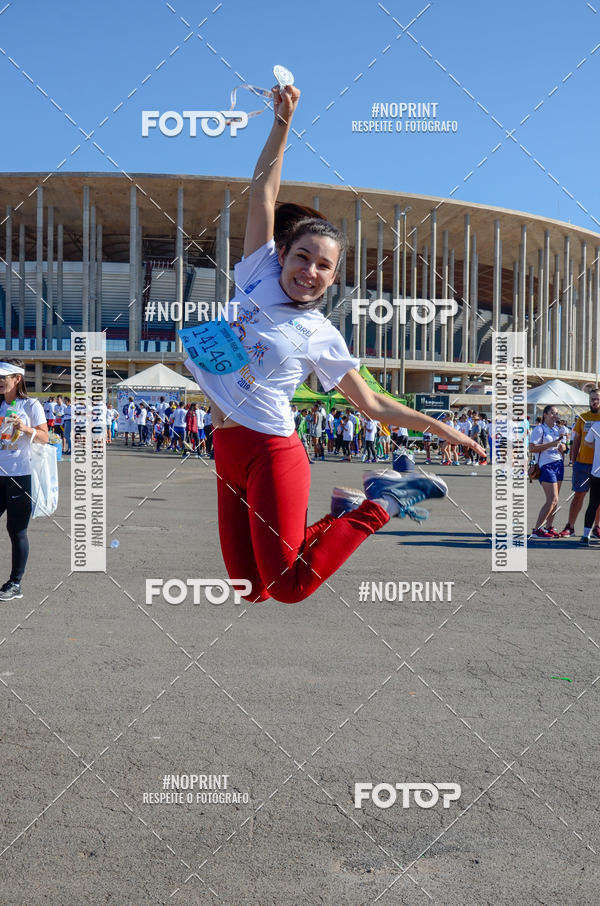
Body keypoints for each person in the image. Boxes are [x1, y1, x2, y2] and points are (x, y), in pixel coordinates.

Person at [182, 82, 485, 604]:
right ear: (284, 252)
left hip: (272, 450)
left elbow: (370, 404)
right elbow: (262, 191)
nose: (311, 271)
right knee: (248, 588)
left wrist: (440, 428)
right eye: (303, 257)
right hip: (226, 448)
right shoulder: (255, 273)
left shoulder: (321, 334)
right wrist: (282, 122)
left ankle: (384, 501)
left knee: (289, 588)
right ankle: (344, 514)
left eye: (325, 266)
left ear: (334, 276)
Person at [0, 359, 49, 600]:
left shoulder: (31, 405)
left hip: (20, 474)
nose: (0, 381)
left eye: (3, 377)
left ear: (17, 379)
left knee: (16, 530)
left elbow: (44, 437)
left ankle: (15, 583)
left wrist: (26, 428)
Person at [559, 388, 600, 537]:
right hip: (583, 464)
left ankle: (596, 527)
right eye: (592, 399)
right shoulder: (583, 418)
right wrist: (573, 460)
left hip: (598, 466)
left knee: (597, 500)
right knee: (579, 496)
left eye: (597, 399)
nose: (594, 402)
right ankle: (570, 526)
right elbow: (577, 440)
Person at [529, 405, 567, 538]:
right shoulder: (539, 429)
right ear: (545, 414)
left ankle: (549, 526)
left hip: (558, 464)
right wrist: (551, 444)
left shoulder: (557, 430)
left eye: (557, 413)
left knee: (555, 500)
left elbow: (562, 448)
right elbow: (532, 448)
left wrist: (562, 446)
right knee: (552, 499)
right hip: (546, 465)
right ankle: (537, 529)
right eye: (552, 413)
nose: (555, 415)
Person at [580, 420, 600, 545]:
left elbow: (587, 442)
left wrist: (596, 445)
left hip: (596, 472)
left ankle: (585, 535)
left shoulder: (596, 425)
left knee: (592, 504)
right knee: (593, 505)